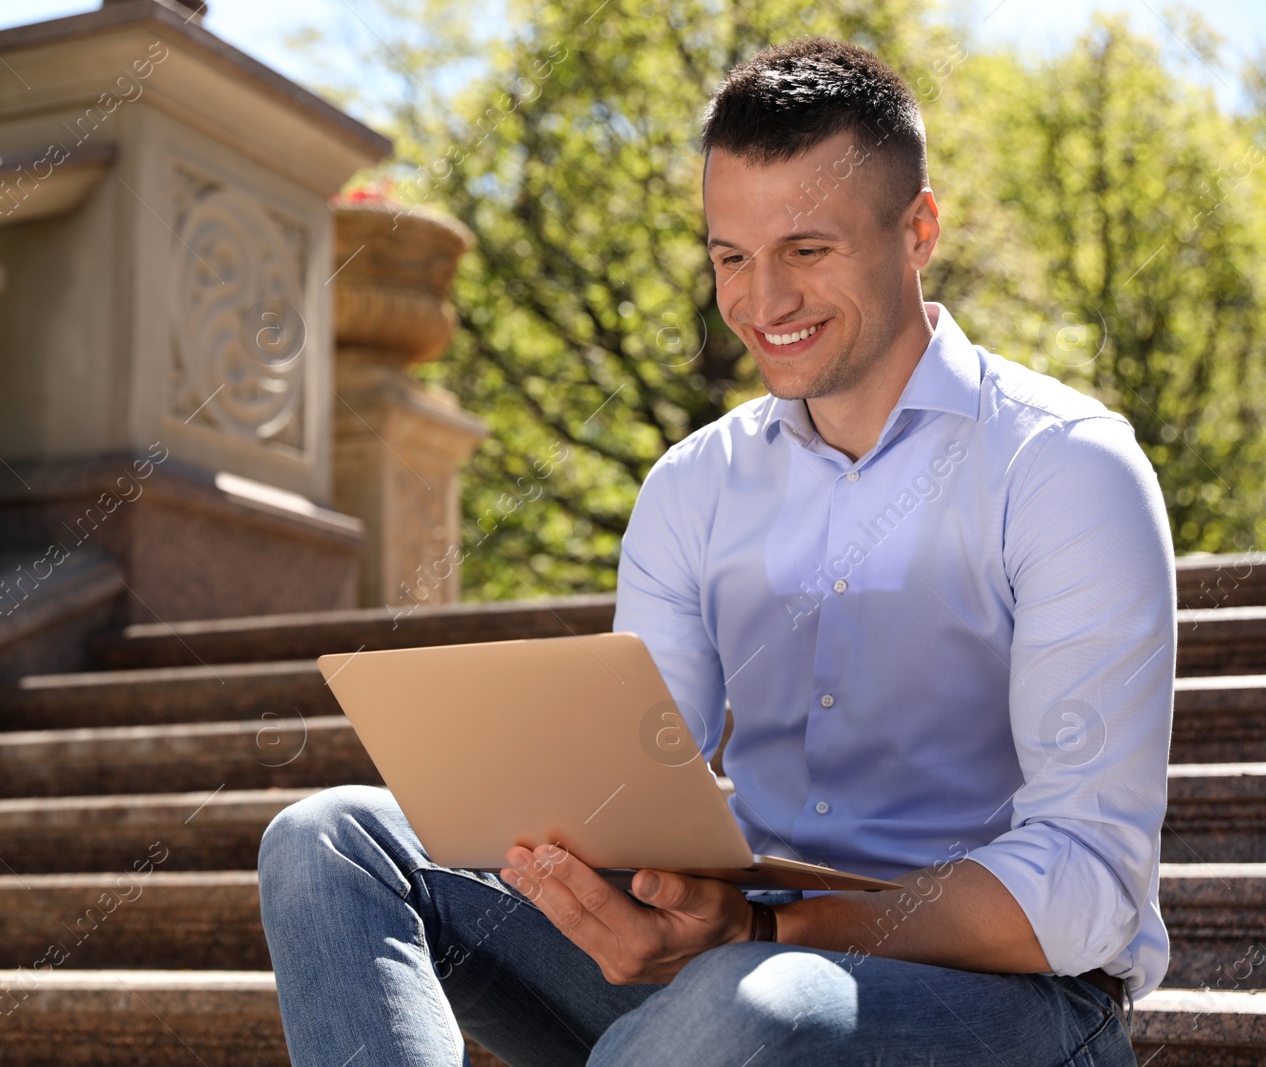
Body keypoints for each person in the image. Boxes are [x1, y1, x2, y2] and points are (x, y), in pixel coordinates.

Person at [259, 36, 1172, 1066]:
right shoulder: (693, 487)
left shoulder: (1064, 468)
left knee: (756, 1000)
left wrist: (769, 930)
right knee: (329, 837)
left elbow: (1091, 880)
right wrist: (632, 887)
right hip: (726, 974)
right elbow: (637, 797)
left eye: (806, 250)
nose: (761, 302)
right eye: (730, 256)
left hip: (1019, 1006)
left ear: (918, 229)